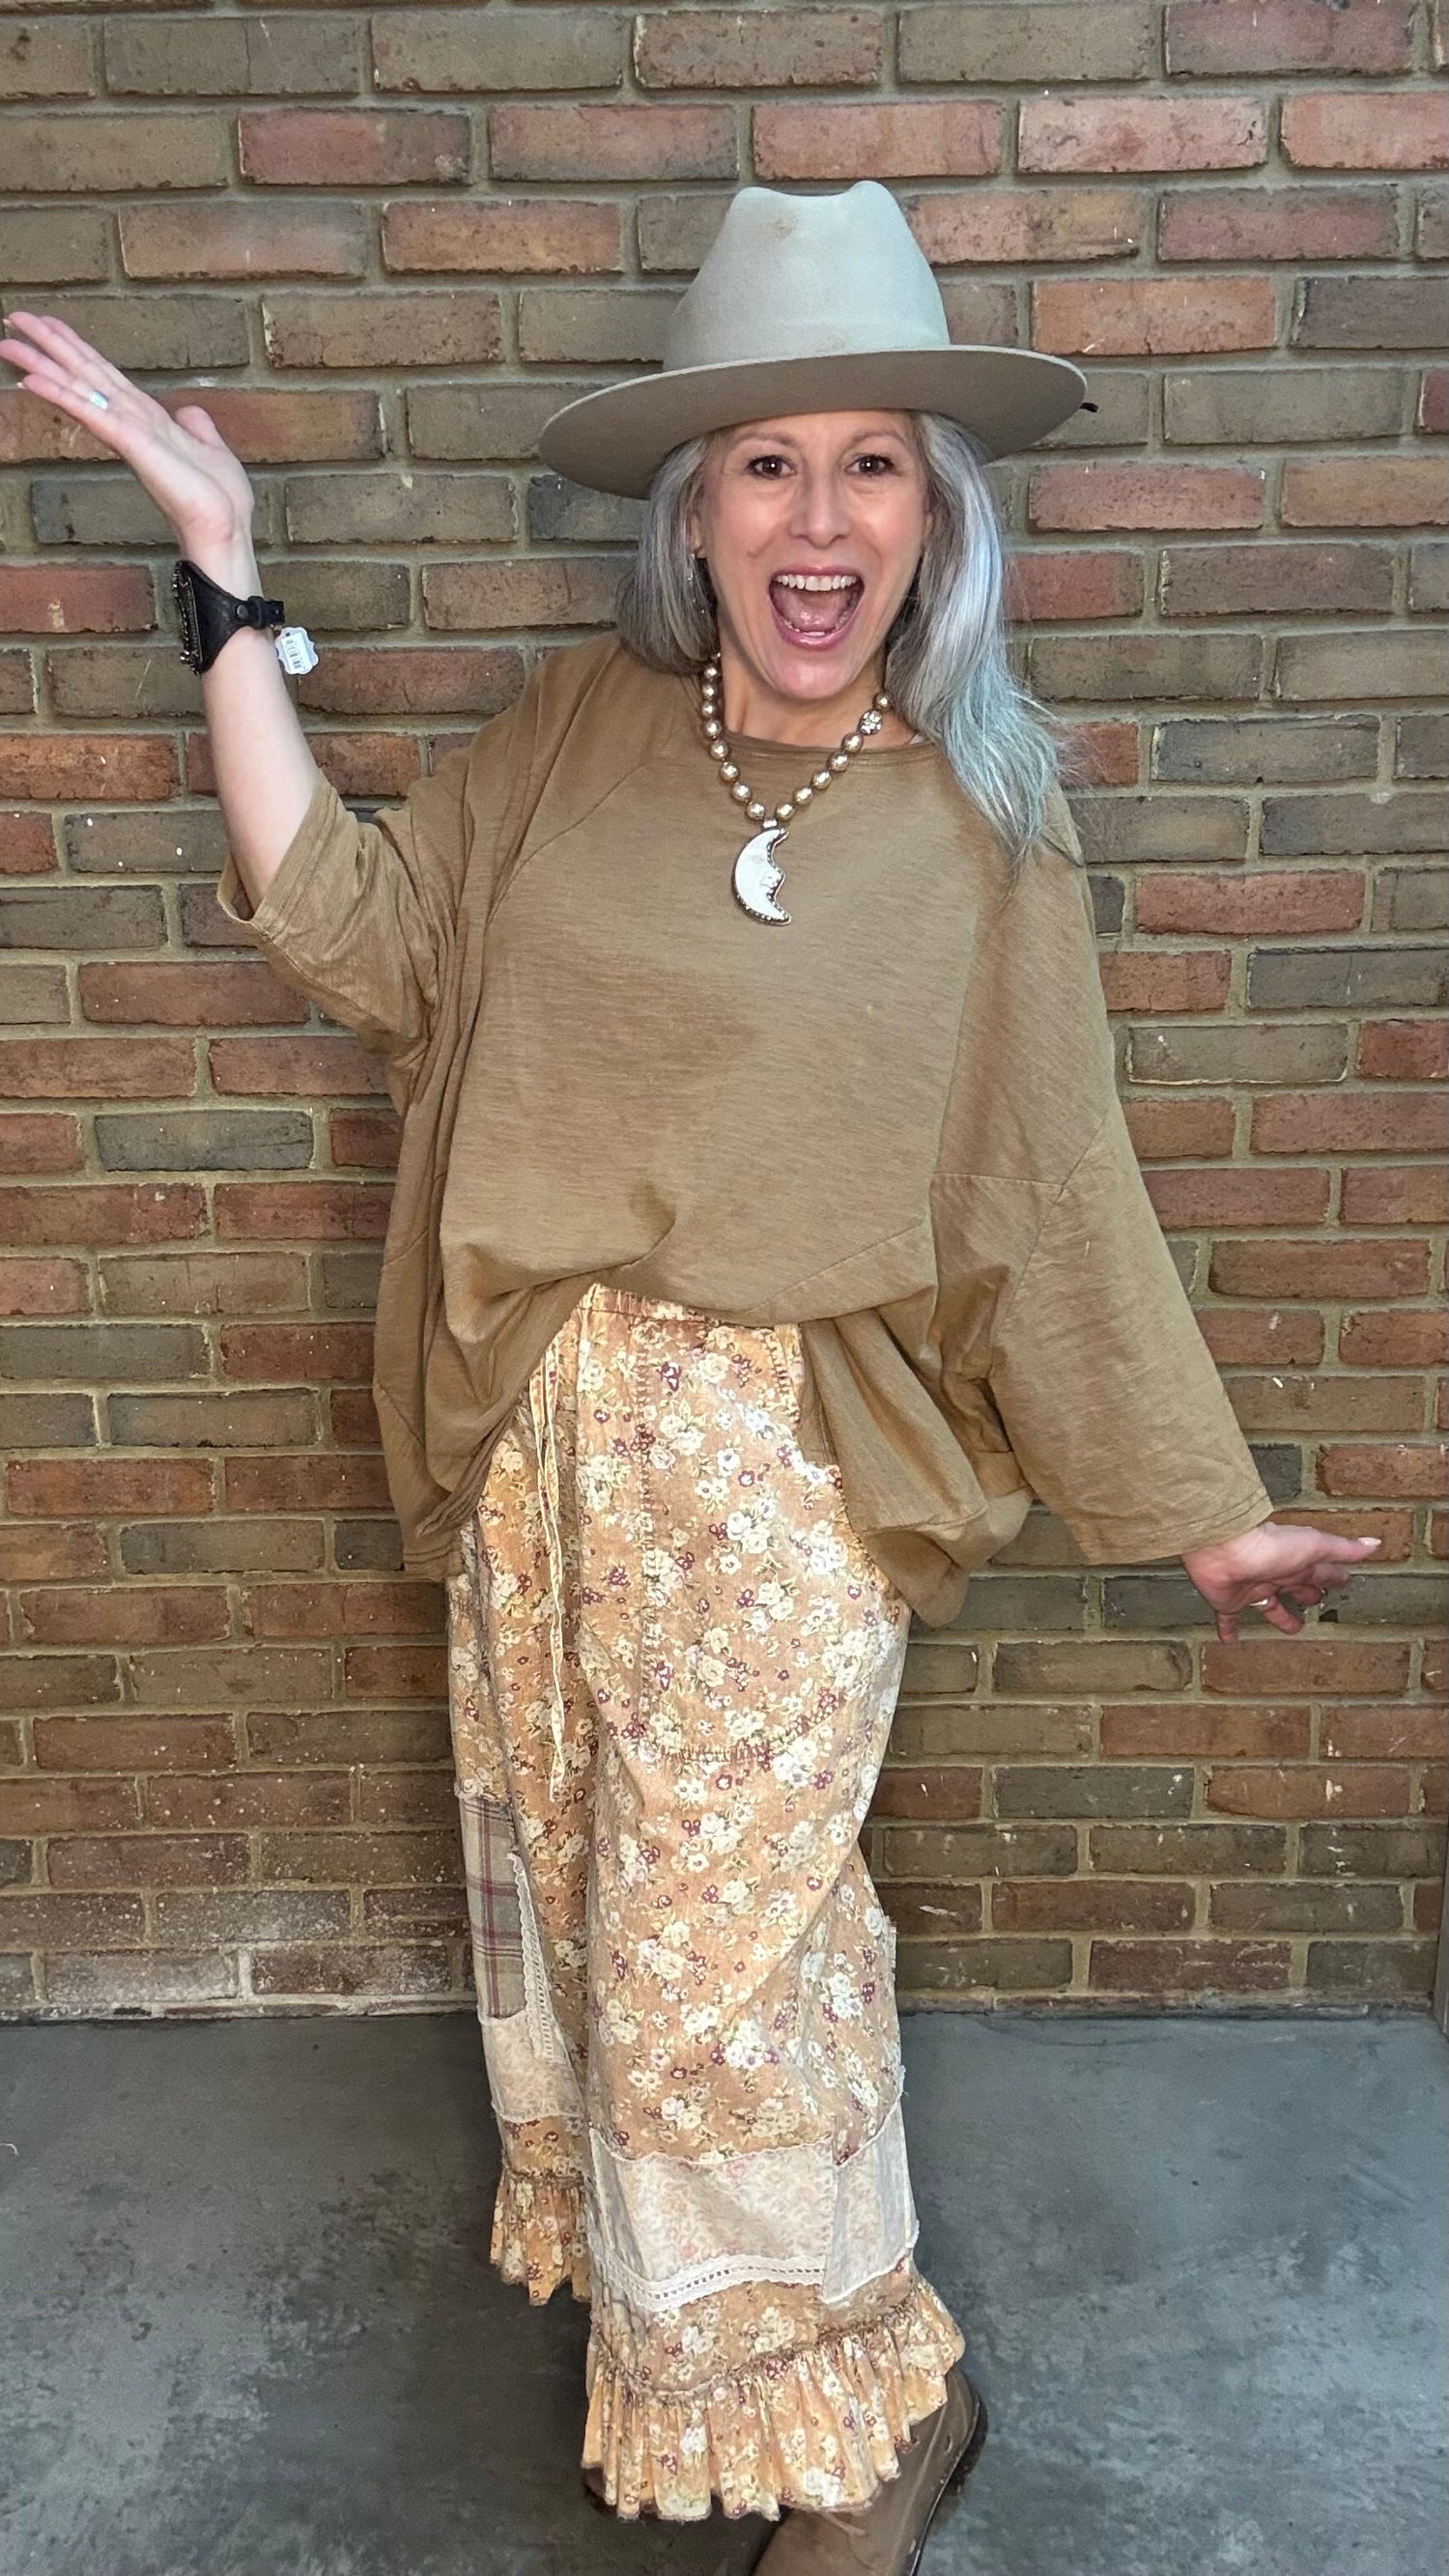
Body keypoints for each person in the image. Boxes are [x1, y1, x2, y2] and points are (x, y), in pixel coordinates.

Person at [0, 179, 1379, 2576]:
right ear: (699, 513)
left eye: (873, 460)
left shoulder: (984, 833)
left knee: (725, 1955)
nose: (819, 511)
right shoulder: (579, 733)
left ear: (937, 512)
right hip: (544, 1445)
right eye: (768, 463)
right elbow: (357, 931)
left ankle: (856, 2421)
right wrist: (221, 569)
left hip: (789, 1473)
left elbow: (1056, 1196)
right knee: (600, 1912)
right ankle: (750, 2356)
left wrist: (1202, 1507)